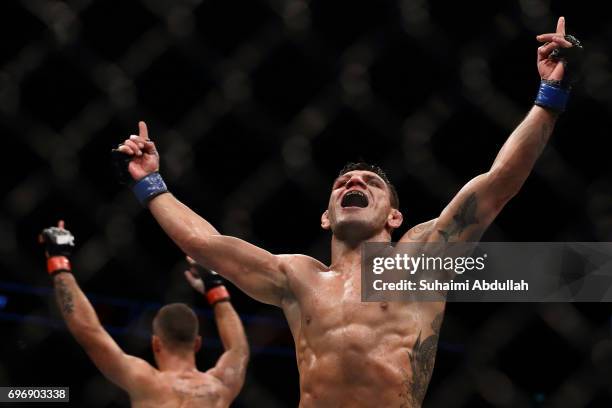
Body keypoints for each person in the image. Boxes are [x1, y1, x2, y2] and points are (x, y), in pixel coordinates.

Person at [112, 17, 581, 407]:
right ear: (326, 217)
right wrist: (149, 181)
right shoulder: (298, 278)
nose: (354, 183)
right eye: (342, 184)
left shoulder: (421, 260)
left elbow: (498, 184)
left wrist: (549, 96)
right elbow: (203, 243)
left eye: (370, 183)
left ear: (394, 217)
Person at [39, 221, 249, 408]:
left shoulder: (146, 381)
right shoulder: (219, 386)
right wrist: (215, 288)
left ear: (156, 343)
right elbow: (238, 349)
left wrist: (59, 263)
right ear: (197, 343)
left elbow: (89, 331)